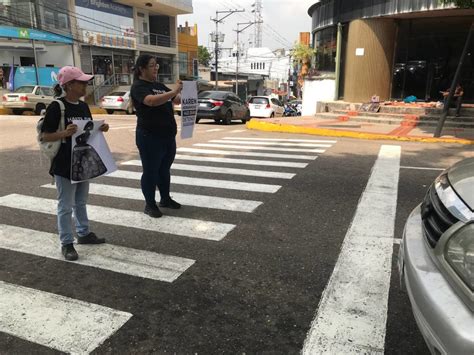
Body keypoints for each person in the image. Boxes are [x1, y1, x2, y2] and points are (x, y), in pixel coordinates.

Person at [41, 66, 109, 261]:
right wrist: (64, 133)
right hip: (64, 164)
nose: (85, 85)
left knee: (80, 201)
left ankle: (84, 233)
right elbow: (45, 135)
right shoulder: (57, 106)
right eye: (82, 82)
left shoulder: (83, 106)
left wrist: (100, 128)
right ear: (69, 85)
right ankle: (67, 243)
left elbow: (86, 130)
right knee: (65, 205)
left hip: (82, 160)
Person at [130, 54, 183, 218]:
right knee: (151, 171)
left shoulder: (159, 85)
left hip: (167, 136)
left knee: (164, 169)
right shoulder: (138, 87)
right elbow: (151, 101)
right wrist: (173, 91)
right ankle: (150, 204)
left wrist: (181, 90)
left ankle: (165, 198)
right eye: (152, 65)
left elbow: (177, 100)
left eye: (157, 65)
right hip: (149, 136)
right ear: (142, 69)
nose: (156, 68)